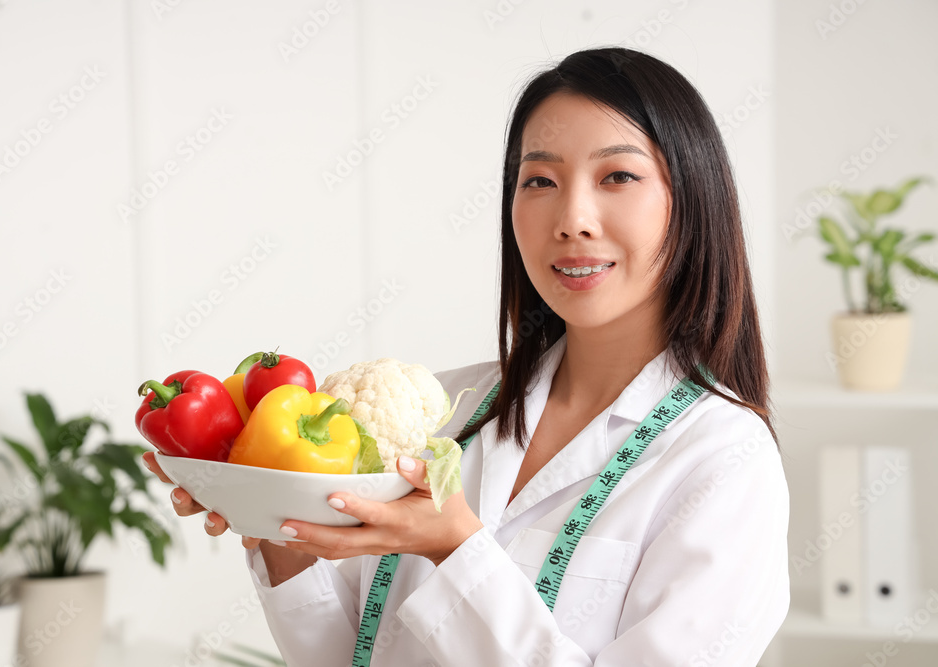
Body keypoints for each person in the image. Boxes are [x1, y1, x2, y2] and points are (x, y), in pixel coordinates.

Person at [143, 46, 790, 666]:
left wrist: (456, 549)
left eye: (616, 175)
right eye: (540, 179)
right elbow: (348, 655)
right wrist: (271, 523)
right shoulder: (439, 410)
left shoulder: (725, 460)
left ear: (693, 199)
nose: (573, 217)